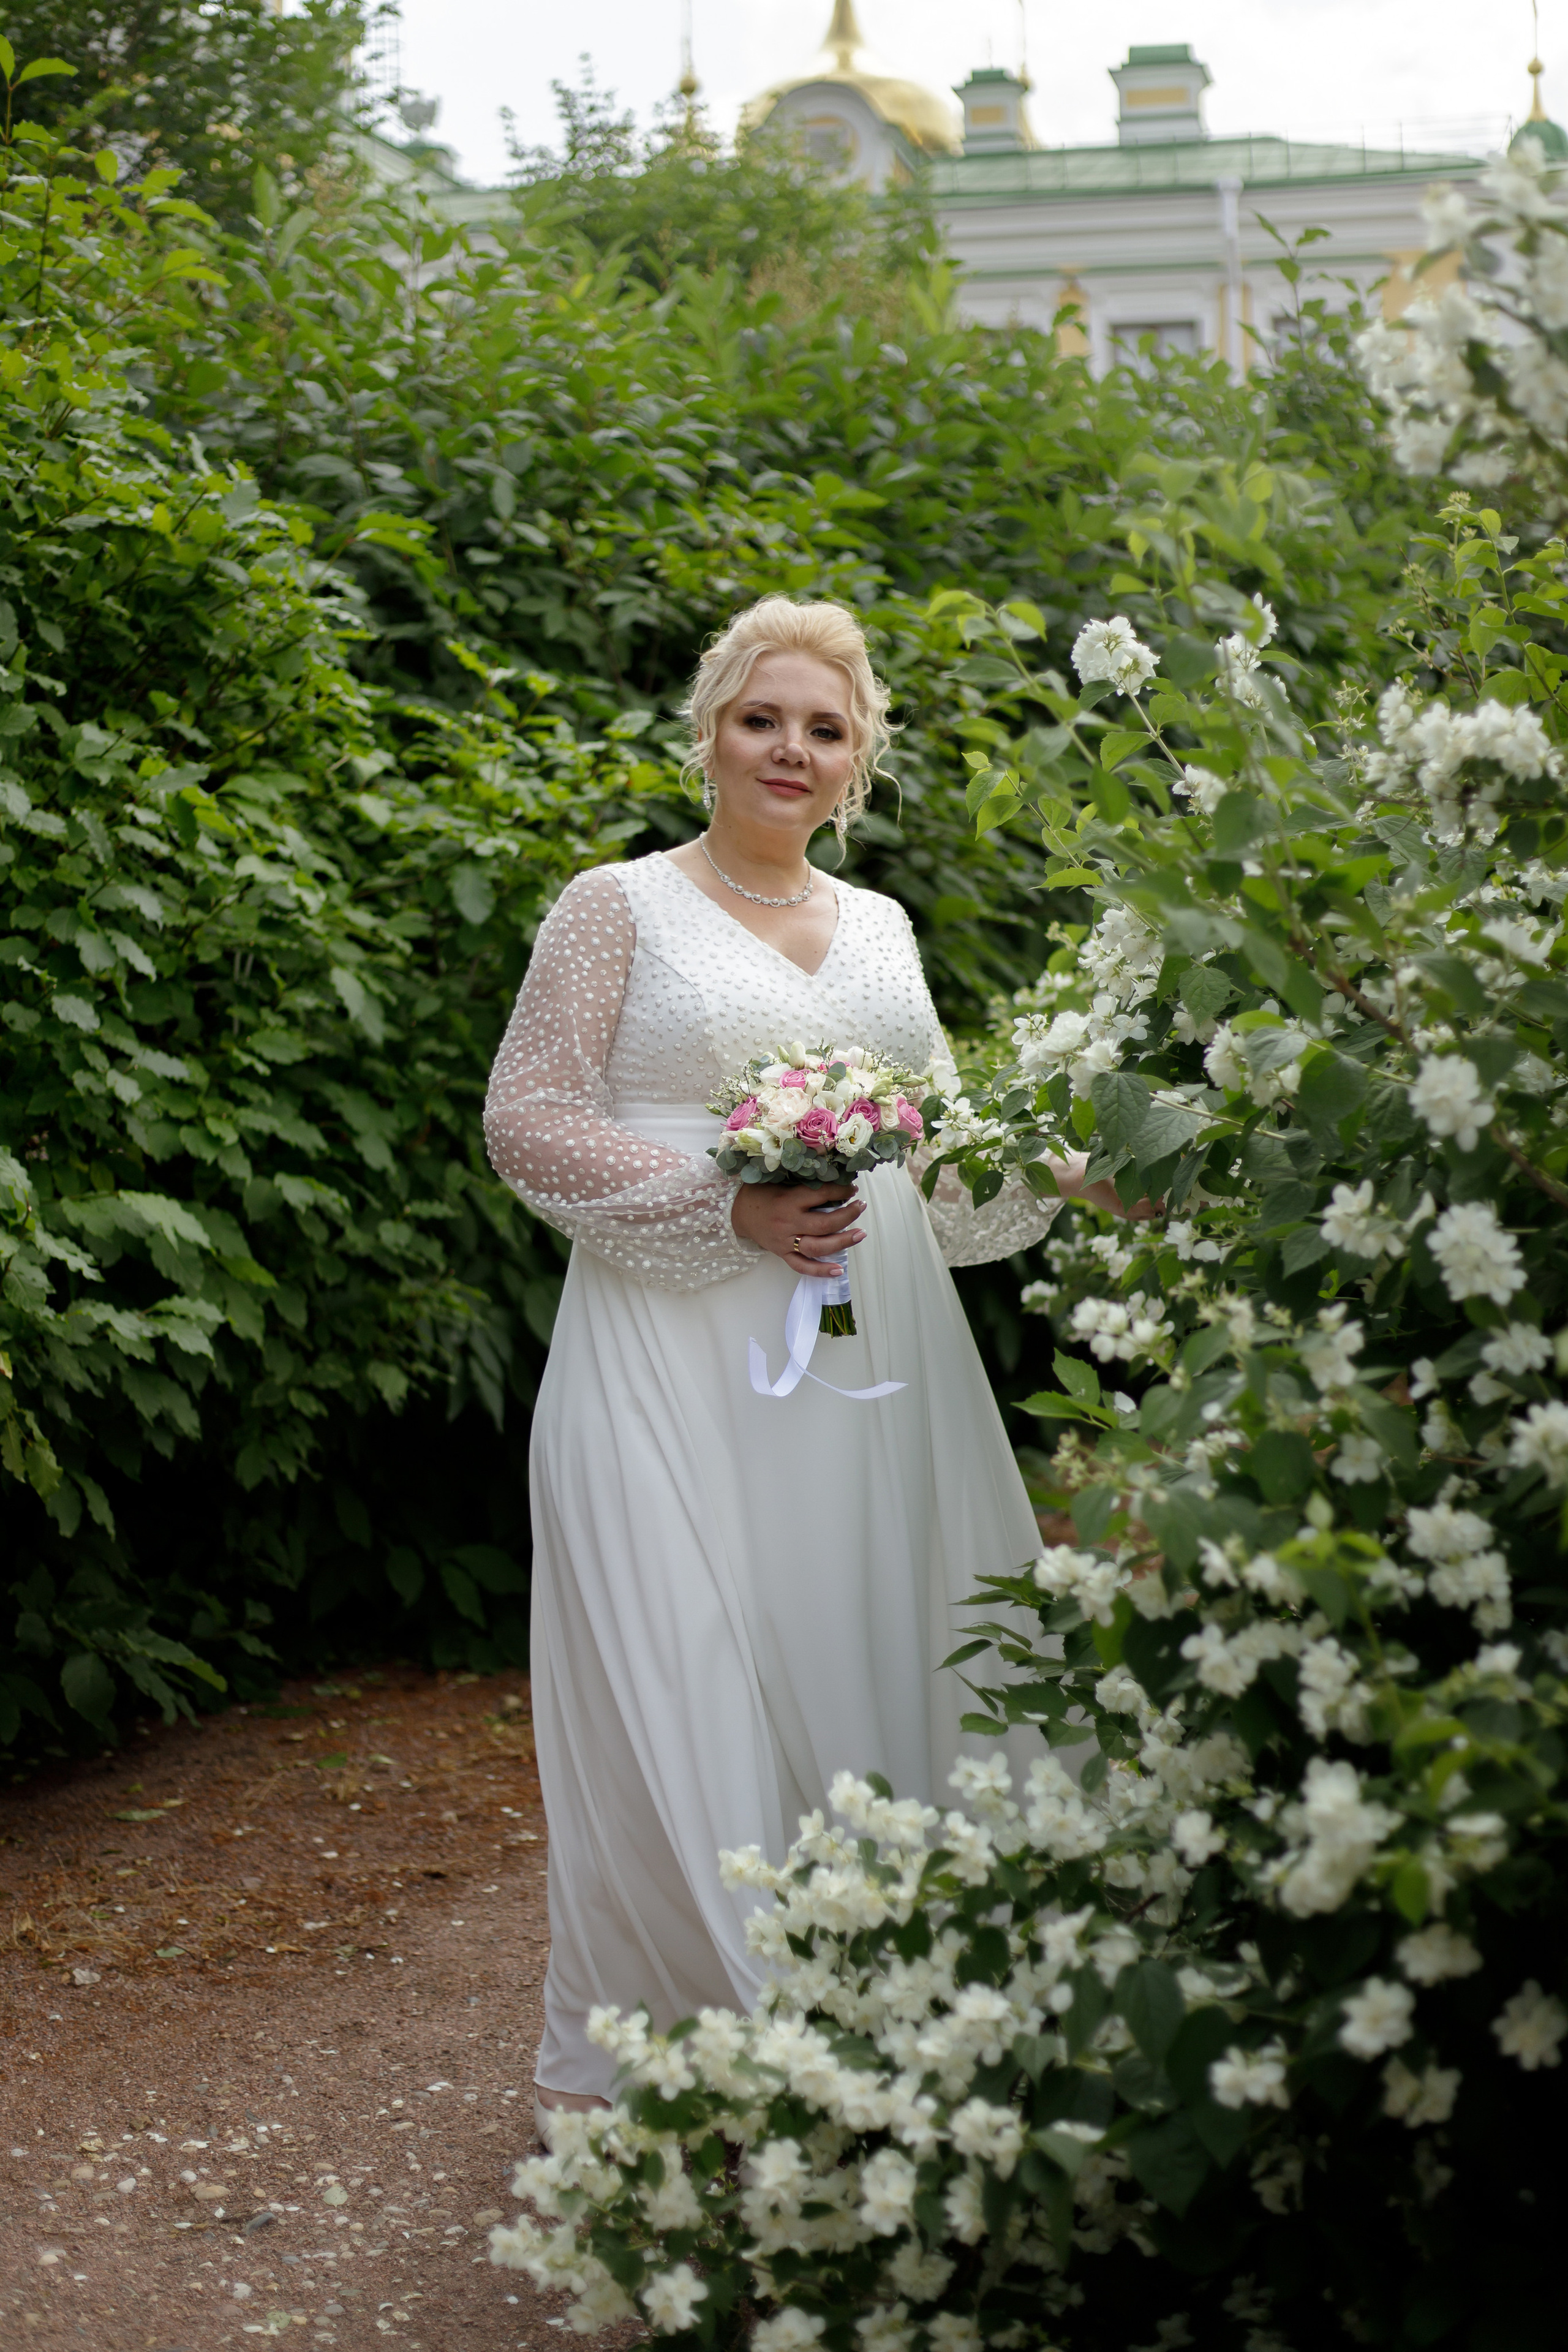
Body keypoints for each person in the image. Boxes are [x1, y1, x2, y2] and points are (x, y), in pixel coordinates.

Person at [483, 597, 1137, 2127]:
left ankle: (883, 1991)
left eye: (824, 728)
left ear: (857, 762)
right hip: (666, 1343)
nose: (790, 748)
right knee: (678, 1653)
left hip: (867, 1355)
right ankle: (721, 2023)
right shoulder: (615, 905)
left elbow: (940, 1150)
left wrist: (1088, 1171)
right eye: (761, 718)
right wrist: (726, 1206)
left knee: (867, 1638)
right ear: (709, 733)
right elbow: (528, 1116)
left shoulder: (884, 928)